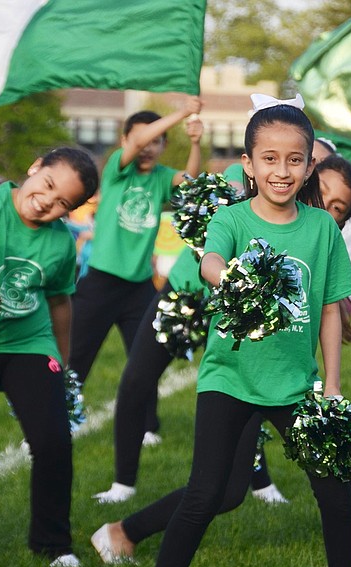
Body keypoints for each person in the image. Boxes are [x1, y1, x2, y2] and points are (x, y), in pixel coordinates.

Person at [95, 94, 351, 567]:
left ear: (310, 164)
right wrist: (232, 278)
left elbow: (332, 310)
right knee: (207, 493)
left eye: (294, 159)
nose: (281, 170)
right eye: (269, 158)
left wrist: (331, 387)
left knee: (338, 491)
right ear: (248, 164)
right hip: (230, 380)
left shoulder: (321, 230)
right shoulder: (230, 217)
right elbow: (212, 258)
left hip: (297, 388)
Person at [90, 154, 351, 505]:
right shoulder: (258, 183)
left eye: (336, 207)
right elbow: (227, 194)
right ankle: (123, 484)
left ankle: (259, 482)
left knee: (244, 404)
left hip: (242, 318)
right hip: (188, 293)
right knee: (137, 380)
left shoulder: (313, 230)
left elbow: (322, 298)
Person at [0, 147, 99, 567]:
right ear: (33, 169)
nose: (48, 201)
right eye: (47, 185)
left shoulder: (60, 244)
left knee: (52, 442)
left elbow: (60, 302)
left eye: (63, 201)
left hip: (28, 343)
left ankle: (53, 545)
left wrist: (61, 364)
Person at [68, 97, 203, 445]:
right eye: (142, 140)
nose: (148, 147)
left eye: (156, 141)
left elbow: (193, 184)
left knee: (145, 360)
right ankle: (60, 418)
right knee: (78, 355)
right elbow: (138, 143)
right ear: (127, 141)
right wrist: (181, 113)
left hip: (139, 287)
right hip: (99, 280)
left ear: (163, 146)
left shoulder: (160, 178)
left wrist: (196, 142)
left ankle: (146, 426)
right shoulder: (117, 167)